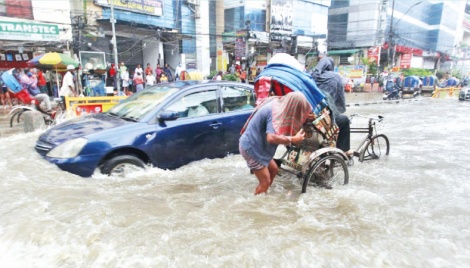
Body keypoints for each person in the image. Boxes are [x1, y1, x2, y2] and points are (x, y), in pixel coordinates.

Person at [239, 92, 312, 195]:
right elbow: (271, 138)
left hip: (258, 146)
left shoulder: (278, 104)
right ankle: (256, 205)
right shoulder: (275, 112)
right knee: (265, 182)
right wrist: (293, 139)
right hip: (252, 148)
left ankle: (264, 194)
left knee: (274, 170)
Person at [311, 57, 352, 156]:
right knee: (345, 120)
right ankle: (344, 151)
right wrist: (339, 111)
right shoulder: (335, 77)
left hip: (310, 115)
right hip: (325, 118)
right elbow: (340, 99)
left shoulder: (311, 76)